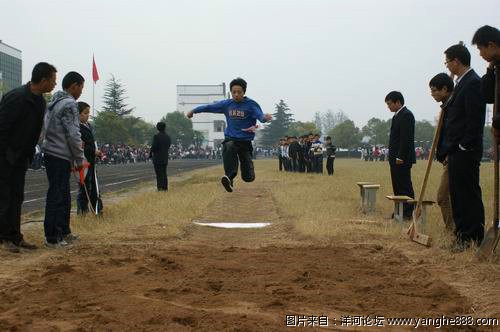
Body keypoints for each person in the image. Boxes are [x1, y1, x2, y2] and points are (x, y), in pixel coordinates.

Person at [0, 62, 57, 252]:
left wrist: (29, 153)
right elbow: (2, 128)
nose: (54, 84)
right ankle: (5, 238)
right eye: (53, 80)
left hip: (21, 157)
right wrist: (5, 155)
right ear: (43, 80)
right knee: (5, 197)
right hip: (6, 157)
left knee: (17, 196)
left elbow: (34, 131)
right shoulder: (16, 98)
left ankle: (16, 236)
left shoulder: (40, 102)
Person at [187, 77, 272, 192]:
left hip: (245, 141)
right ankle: (229, 178)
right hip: (231, 138)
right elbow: (209, 107)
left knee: (248, 178)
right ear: (231, 92)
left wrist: (265, 118)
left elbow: (260, 116)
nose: (236, 95)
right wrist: (194, 111)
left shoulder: (251, 105)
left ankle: (247, 172)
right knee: (229, 146)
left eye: (239, 92)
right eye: (234, 92)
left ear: (244, 92)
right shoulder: (227, 104)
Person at [443, 43, 486, 249]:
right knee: (457, 194)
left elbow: (474, 120)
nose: (447, 66)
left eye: (447, 62)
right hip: (455, 149)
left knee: (468, 194)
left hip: (465, 151)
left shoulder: (472, 83)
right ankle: (461, 235)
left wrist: (463, 146)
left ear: (456, 61)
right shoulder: (460, 83)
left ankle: (473, 236)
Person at [42, 71, 85, 248]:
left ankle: (64, 231)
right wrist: (79, 157)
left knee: (62, 194)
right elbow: (73, 134)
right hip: (59, 154)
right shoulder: (69, 104)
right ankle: (53, 236)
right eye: (81, 87)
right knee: (57, 195)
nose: (81, 91)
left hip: (52, 152)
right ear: (73, 86)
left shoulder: (53, 103)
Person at [430, 73, 455, 232]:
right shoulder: (447, 105)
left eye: (434, 91)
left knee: (442, 196)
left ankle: (452, 229)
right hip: (448, 157)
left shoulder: (454, 106)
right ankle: (452, 229)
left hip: (455, 157)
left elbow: (454, 133)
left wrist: (448, 153)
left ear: (445, 89)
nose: (432, 94)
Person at [386, 91, 416, 220]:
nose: (389, 107)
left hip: (401, 159)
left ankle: (408, 212)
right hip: (394, 158)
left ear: (398, 102)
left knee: (404, 186)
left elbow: (406, 138)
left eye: (390, 104)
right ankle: (399, 211)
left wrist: (400, 156)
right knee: (397, 186)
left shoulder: (406, 115)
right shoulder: (397, 116)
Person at [472, 25, 500, 141]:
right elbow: (488, 96)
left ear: (491, 45)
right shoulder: (496, 67)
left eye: (480, 49)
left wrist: (497, 123)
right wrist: (490, 70)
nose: (480, 54)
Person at [76, 102, 102, 214]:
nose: (87, 115)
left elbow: (92, 143)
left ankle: (96, 209)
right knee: (85, 187)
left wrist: (97, 152)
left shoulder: (89, 126)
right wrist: (93, 151)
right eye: (85, 113)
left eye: (88, 113)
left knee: (94, 186)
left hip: (92, 161)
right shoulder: (77, 128)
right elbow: (81, 146)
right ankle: (82, 211)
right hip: (83, 162)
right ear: (78, 114)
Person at [149, 122, 171, 191]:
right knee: (164, 173)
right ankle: (165, 187)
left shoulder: (156, 136)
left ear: (158, 128)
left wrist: (151, 152)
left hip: (158, 157)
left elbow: (154, 147)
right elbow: (168, 146)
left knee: (159, 174)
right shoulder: (168, 137)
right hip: (165, 157)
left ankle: (160, 188)